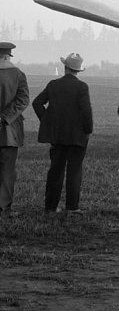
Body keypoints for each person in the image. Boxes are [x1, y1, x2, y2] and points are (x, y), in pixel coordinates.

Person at [33, 53, 94, 215]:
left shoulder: (53, 85)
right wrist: (88, 130)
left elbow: (37, 103)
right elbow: (86, 112)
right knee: (74, 171)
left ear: (65, 67)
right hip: (77, 135)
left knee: (55, 170)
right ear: (78, 70)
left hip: (57, 134)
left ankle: (50, 206)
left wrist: (46, 121)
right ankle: (72, 207)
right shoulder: (82, 87)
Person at [0, 42, 28, 218]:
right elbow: (23, 100)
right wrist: (4, 117)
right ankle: (3, 207)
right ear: (8, 56)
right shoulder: (18, 74)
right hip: (8, 131)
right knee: (7, 170)